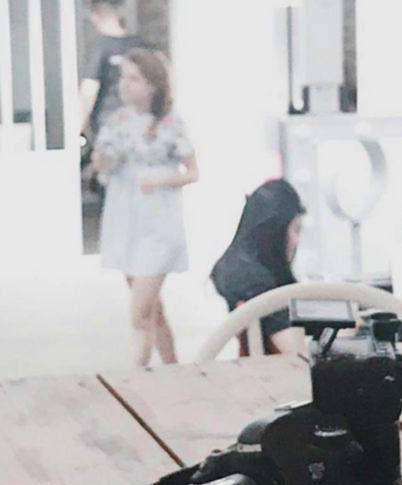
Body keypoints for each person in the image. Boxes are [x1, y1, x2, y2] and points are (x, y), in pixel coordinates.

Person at [93, 48, 197, 367]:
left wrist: (161, 179)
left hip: (158, 224)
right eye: (123, 77)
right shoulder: (117, 121)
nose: (125, 85)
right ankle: (174, 368)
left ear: (152, 84)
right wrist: (104, 155)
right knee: (152, 309)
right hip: (125, 222)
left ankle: (133, 377)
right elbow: (101, 166)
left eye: (134, 78)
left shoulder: (170, 124)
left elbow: (193, 172)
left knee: (139, 314)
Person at [210, 179, 307, 356]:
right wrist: (348, 331)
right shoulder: (257, 285)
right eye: (295, 230)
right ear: (275, 231)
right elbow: (299, 356)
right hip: (281, 377)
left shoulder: (236, 269)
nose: (296, 241)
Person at [79, 0, 142, 145]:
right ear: (118, 13)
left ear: (94, 18)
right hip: (139, 122)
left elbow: (88, 91)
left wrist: (76, 128)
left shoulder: (98, 48)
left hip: (109, 124)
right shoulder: (139, 46)